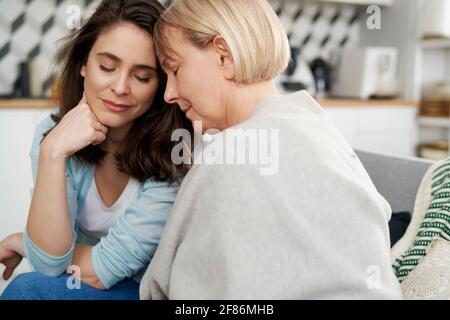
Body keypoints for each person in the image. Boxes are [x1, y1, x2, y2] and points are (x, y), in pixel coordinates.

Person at [139, 0, 403, 299]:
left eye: (174, 70)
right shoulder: (317, 126)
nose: (169, 93)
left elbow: (168, 288)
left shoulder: (231, 153)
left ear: (224, 56)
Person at [0, 0, 191, 300]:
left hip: (149, 290)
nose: (120, 87)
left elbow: (103, 270)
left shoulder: (173, 151)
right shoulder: (54, 138)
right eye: (107, 67)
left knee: (27, 289)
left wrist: (24, 243)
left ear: (160, 85)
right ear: (83, 65)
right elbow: (49, 264)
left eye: (142, 76)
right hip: (87, 280)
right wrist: (52, 152)